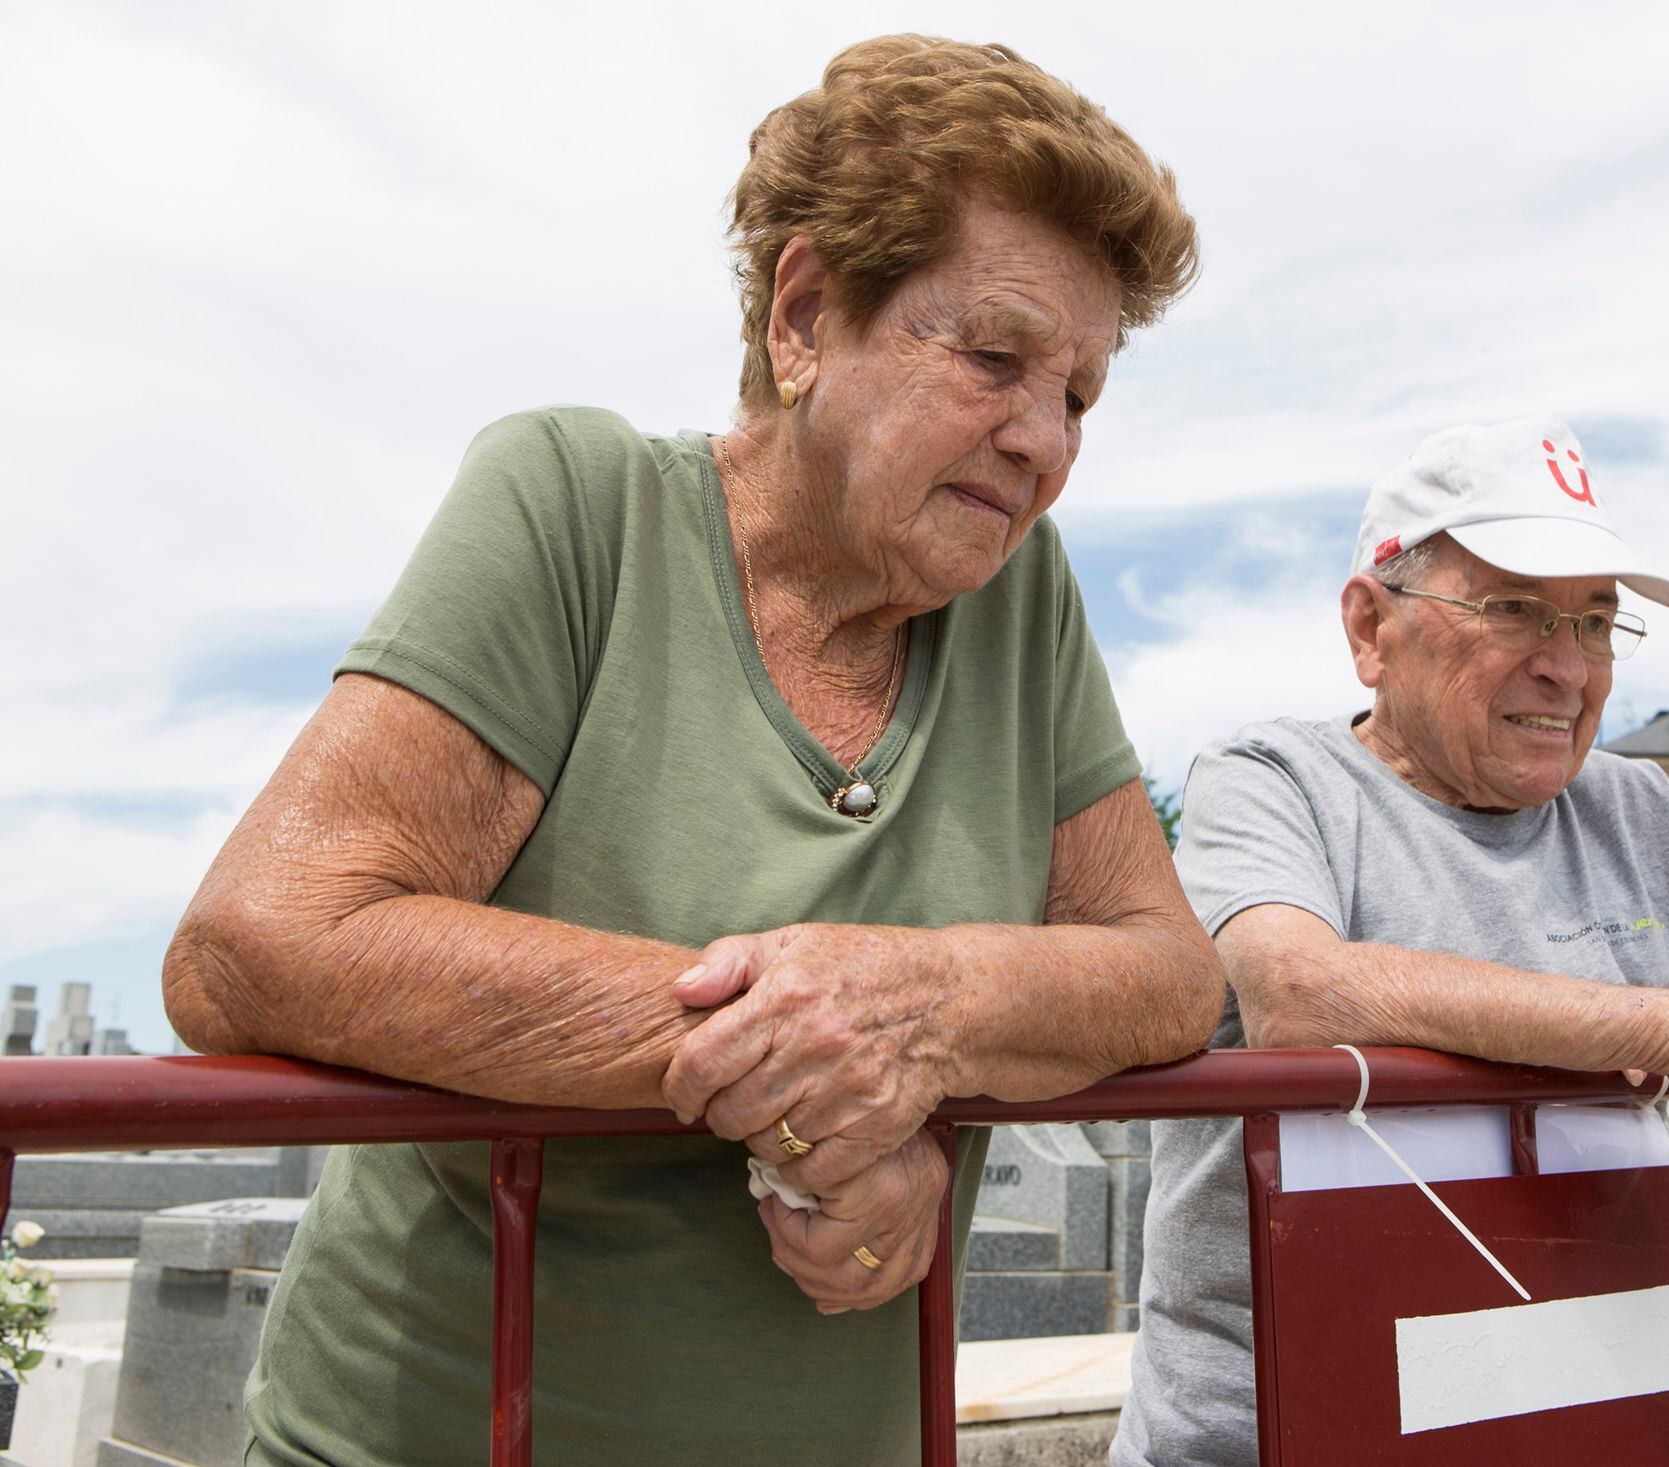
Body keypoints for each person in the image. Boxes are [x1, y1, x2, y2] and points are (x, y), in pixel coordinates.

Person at [161, 35, 1223, 1466]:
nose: (1043, 439)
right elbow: (258, 939)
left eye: (1082, 394)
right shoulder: (575, 505)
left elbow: (1166, 971)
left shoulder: (1020, 597)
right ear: (803, 315)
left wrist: (918, 1008)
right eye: (993, 356)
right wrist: (812, 1078)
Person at [1111, 416, 1669, 1467]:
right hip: (1280, 1432)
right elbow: (1303, 994)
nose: (1569, 668)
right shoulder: (1273, 779)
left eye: (1597, 624)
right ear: (1371, 629)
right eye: (1514, 610)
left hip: (1577, 1411)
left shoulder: (1634, 805)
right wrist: (1665, 1036)